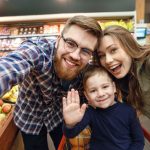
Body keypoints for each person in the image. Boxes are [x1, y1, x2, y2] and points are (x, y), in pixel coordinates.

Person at [0, 15, 102, 150]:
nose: (75, 56)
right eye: (70, 43)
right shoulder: (39, 51)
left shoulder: (86, 72)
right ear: (59, 40)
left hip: (59, 117)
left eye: (85, 51)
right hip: (29, 116)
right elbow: (10, 67)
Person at [62, 65, 144, 150]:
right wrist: (70, 124)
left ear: (114, 87)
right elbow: (70, 134)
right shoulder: (90, 112)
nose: (100, 94)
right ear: (86, 96)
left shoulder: (129, 111)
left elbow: (139, 141)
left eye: (105, 87)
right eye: (93, 90)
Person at [97, 25, 150, 119]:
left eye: (113, 50)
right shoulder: (116, 80)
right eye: (101, 55)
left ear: (128, 45)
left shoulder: (146, 63)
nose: (108, 60)